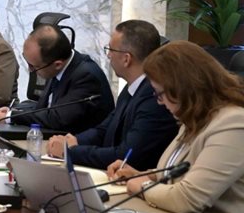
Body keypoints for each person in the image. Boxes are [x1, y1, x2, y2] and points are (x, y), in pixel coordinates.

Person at [108, 41, 244, 213]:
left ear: (183, 88)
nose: (160, 102)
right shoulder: (195, 119)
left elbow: (188, 199)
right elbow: (178, 171)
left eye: (160, 94)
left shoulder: (233, 124)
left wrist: (142, 186)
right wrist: (141, 175)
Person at [46, 20, 178, 169]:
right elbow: (105, 129)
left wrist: (70, 152)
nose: (108, 55)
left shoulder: (153, 98)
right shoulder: (132, 87)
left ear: (126, 59)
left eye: (111, 50)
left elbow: (125, 155)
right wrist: (74, 140)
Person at [0, 25, 112, 133]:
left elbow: (58, 118)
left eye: (34, 66)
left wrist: (11, 117)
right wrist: (15, 111)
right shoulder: (56, 66)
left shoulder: (86, 76)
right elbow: (46, 107)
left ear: (57, 64)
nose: (30, 70)